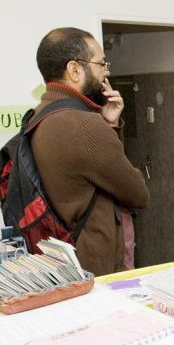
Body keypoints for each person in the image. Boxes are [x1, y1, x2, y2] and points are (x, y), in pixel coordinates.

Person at [31, 27, 149, 276]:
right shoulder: (83, 124)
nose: (105, 71)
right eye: (101, 63)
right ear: (74, 70)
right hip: (97, 267)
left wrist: (109, 125)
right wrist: (103, 127)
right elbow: (138, 194)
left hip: (65, 262)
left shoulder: (40, 115)